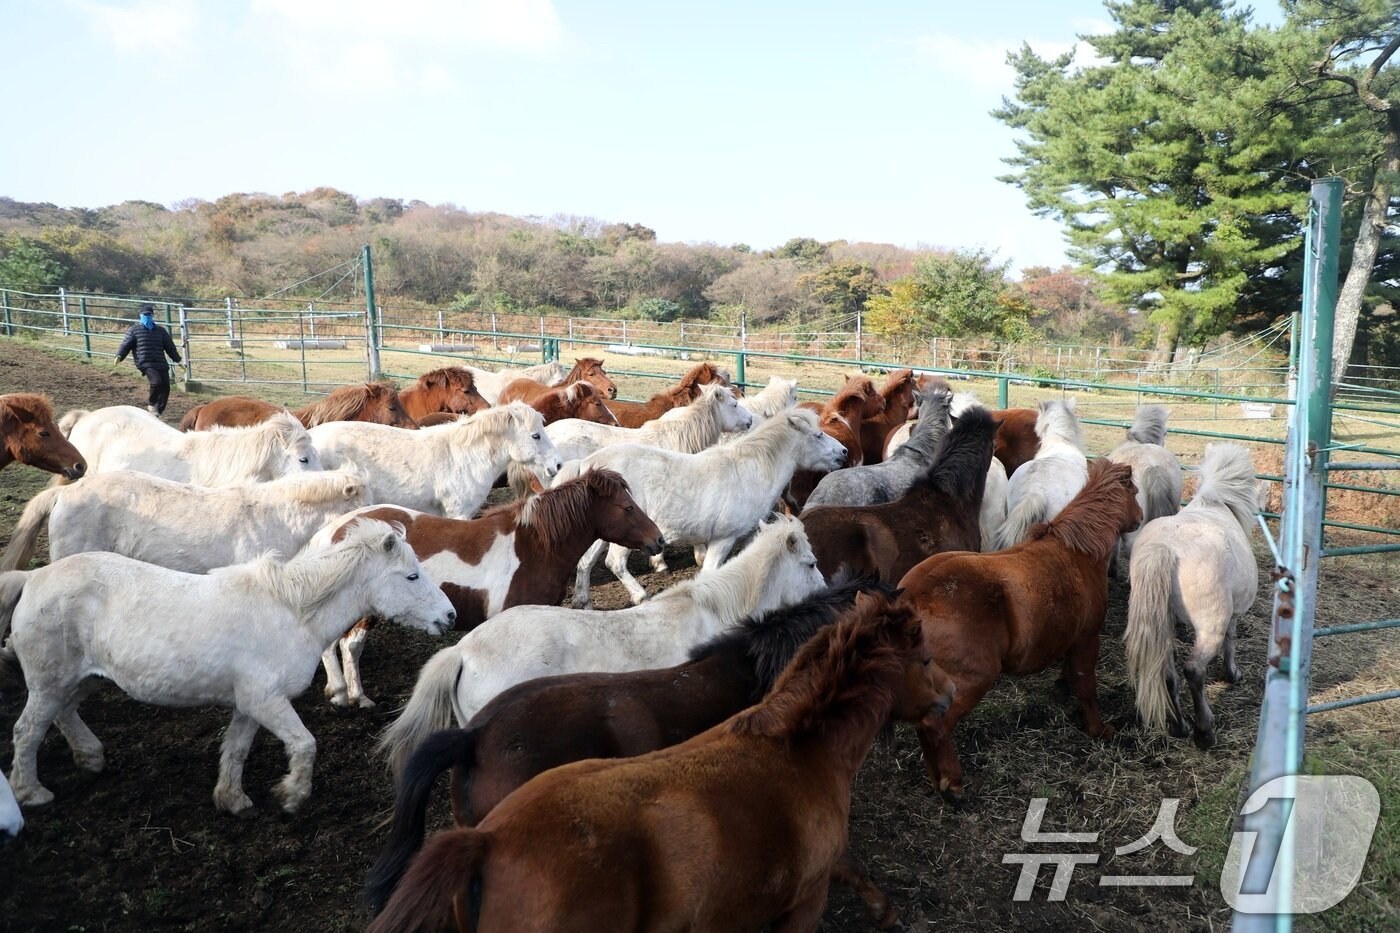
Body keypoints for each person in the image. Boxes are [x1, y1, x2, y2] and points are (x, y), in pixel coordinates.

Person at [115, 304, 182, 416]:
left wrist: (178, 360)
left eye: (149, 315)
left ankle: (158, 412)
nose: (147, 317)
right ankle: (152, 404)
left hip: (161, 362)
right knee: (157, 382)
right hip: (145, 362)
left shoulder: (161, 331)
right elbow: (125, 345)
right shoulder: (134, 330)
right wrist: (119, 356)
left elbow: (170, 347)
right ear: (140, 316)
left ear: (152, 316)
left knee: (166, 387)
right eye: (145, 315)